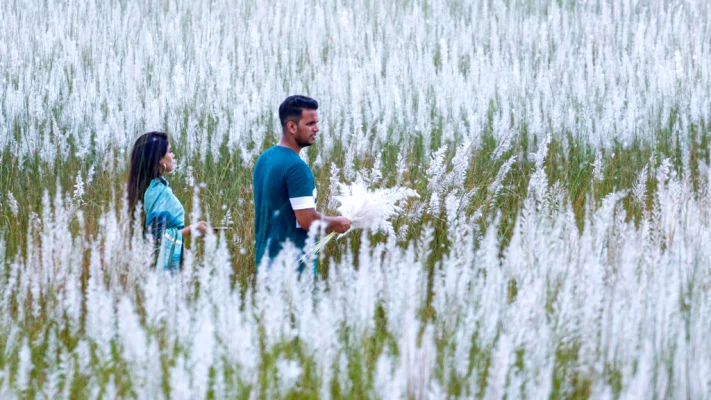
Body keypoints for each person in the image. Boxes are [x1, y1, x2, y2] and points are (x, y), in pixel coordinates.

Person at [253, 95, 351, 269]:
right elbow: (307, 220)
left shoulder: (264, 159)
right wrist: (336, 223)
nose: (317, 129)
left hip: (266, 263)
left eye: (317, 123)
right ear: (291, 126)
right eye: (310, 124)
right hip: (292, 268)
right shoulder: (296, 168)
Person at [127, 131, 209, 270]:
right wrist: (192, 230)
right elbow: (156, 240)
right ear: (159, 159)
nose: (173, 155)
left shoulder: (147, 187)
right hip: (164, 269)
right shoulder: (157, 192)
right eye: (170, 151)